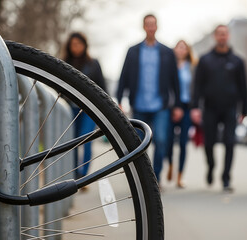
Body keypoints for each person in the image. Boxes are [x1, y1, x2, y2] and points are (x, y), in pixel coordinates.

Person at [116, 14, 183, 184]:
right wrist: (119, 100)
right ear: (144, 27)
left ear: (157, 27)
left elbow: (175, 81)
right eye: (148, 24)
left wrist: (177, 106)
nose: (150, 28)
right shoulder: (133, 51)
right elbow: (123, 77)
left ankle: (156, 178)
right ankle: (141, 179)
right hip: (139, 104)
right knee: (138, 144)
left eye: (153, 24)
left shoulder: (167, 52)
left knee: (161, 140)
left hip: (161, 105)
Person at [190, 25, 247, 192]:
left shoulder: (237, 61)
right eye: (219, 34)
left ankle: (226, 178)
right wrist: (195, 107)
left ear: (228, 36)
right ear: (215, 37)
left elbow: (243, 87)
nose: (222, 37)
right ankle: (211, 166)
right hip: (210, 108)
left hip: (230, 108)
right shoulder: (205, 60)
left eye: (224, 34)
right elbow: (198, 86)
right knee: (209, 143)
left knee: (230, 142)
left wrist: (244, 110)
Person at [63, 32, 107, 179]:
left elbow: (102, 88)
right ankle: (75, 174)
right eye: (73, 44)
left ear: (84, 45)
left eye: (79, 44)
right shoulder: (63, 63)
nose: (76, 47)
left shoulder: (93, 63)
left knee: (86, 140)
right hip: (70, 109)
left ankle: (84, 175)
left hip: (89, 109)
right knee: (73, 142)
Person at [166, 40, 197, 188]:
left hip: (187, 107)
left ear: (187, 50)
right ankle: (170, 164)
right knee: (169, 141)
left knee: (184, 142)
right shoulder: (170, 67)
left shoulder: (192, 68)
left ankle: (180, 176)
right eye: (178, 47)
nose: (181, 50)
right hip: (172, 107)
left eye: (184, 47)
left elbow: (196, 88)